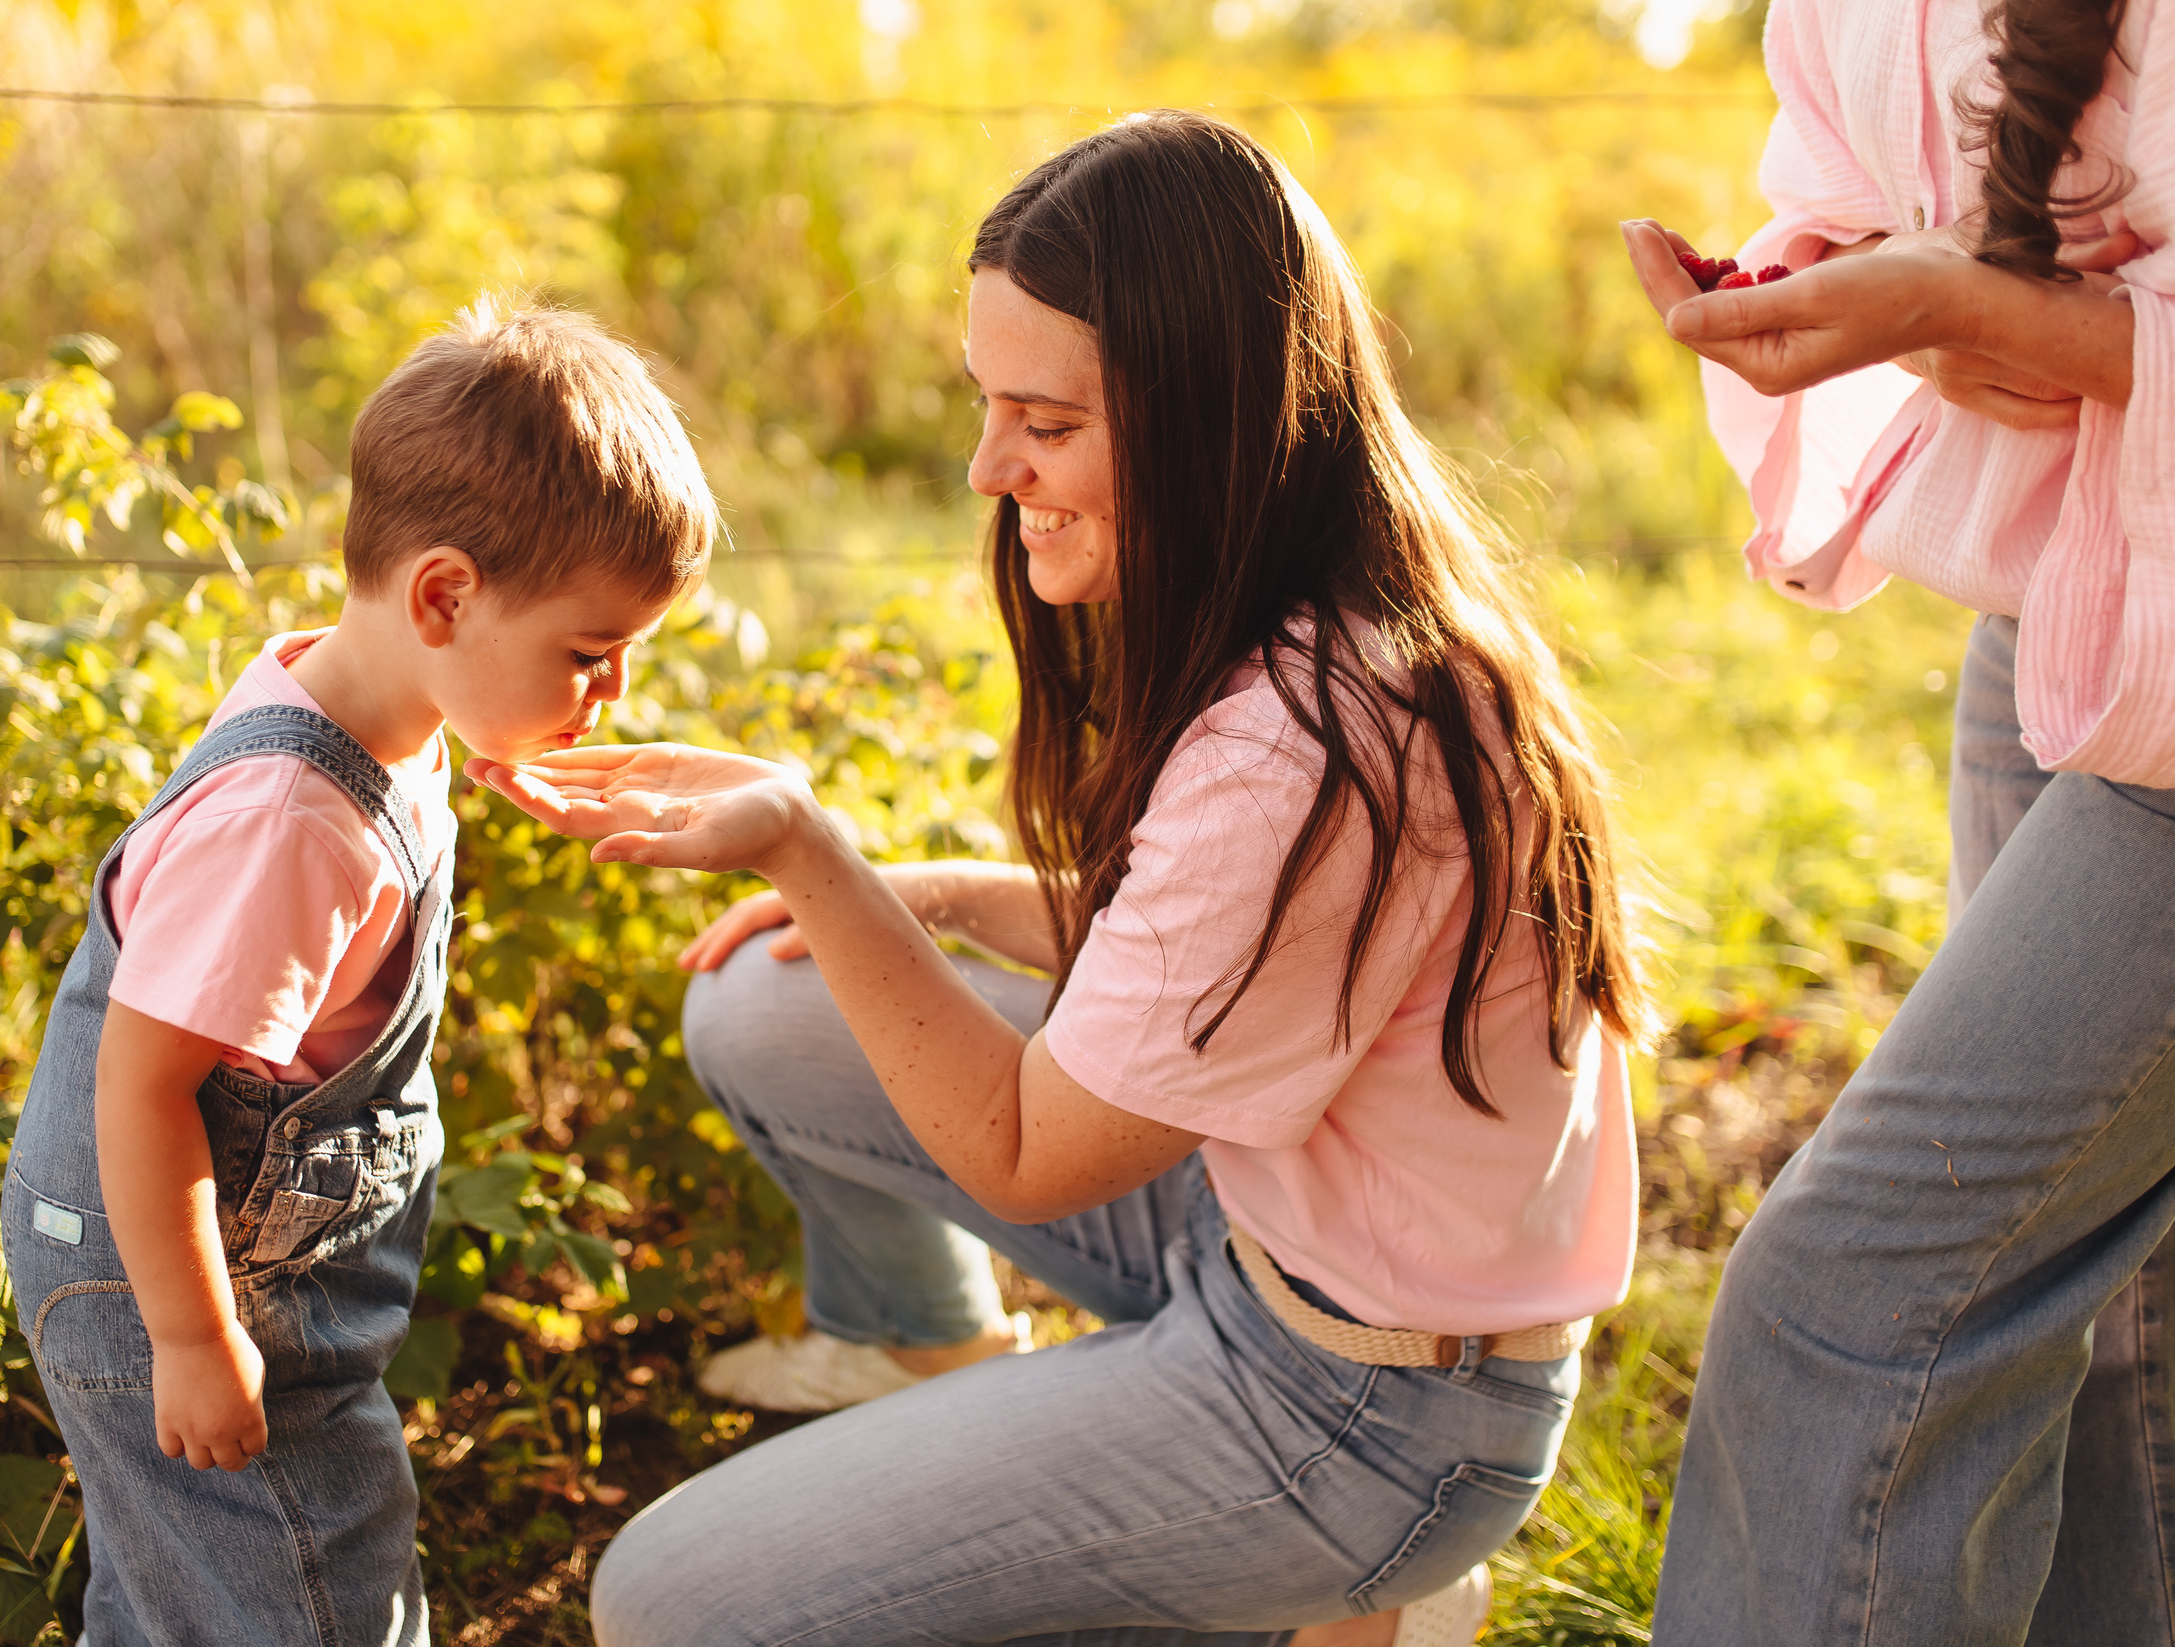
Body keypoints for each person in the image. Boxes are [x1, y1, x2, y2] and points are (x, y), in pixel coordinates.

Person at [476, 110, 1650, 1647]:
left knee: (673, 1604)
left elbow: (1030, 1158)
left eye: (1046, 421)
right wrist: (936, 898)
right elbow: (1223, 966)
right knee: (769, 999)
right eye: (988, 404)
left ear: (1211, 420)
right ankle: (943, 1364)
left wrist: (810, 850)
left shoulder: (1307, 744)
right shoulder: (1356, 615)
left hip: (1367, 1413)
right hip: (1275, 1236)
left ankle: (1320, 1587)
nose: (989, 467)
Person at [0, 300, 716, 1646]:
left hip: (230, 1272)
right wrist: (195, 1341)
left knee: (185, 1595)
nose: (613, 689)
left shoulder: (373, 711)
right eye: (587, 652)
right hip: (182, 1285)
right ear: (444, 596)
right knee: (309, 1591)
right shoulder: (292, 824)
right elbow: (143, 1086)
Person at [1620, 0, 2175, 1640]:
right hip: (2061, 616)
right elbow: (1858, 182)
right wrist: (1868, 291)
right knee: (2083, 1304)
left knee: (1855, 1306)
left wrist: (2018, 321)